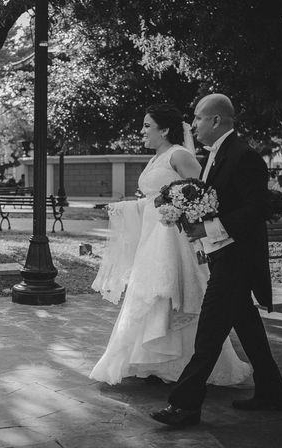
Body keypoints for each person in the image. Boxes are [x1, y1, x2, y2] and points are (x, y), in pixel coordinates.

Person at [151, 94, 282, 428]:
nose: (194, 124)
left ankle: (185, 405)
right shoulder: (216, 155)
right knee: (249, 329)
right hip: (223, 255)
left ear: (216, 120)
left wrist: (209, 226)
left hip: (237, 261)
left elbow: (258, 208)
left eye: (198, 118)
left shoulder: (245, 156)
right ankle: (274, 393)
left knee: (209, 333)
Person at [91, 104, 251, 387]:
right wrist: (120, 208)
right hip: (152, 240)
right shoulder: (156, 158)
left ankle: (184, 364)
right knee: (150, 298)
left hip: (174, 240)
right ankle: (153, 363)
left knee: (175, 297)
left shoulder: (180, 155)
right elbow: (153, 201)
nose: (142, 131)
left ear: (164, 129)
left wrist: (190, 223)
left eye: (147, 125)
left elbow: (202, 196)